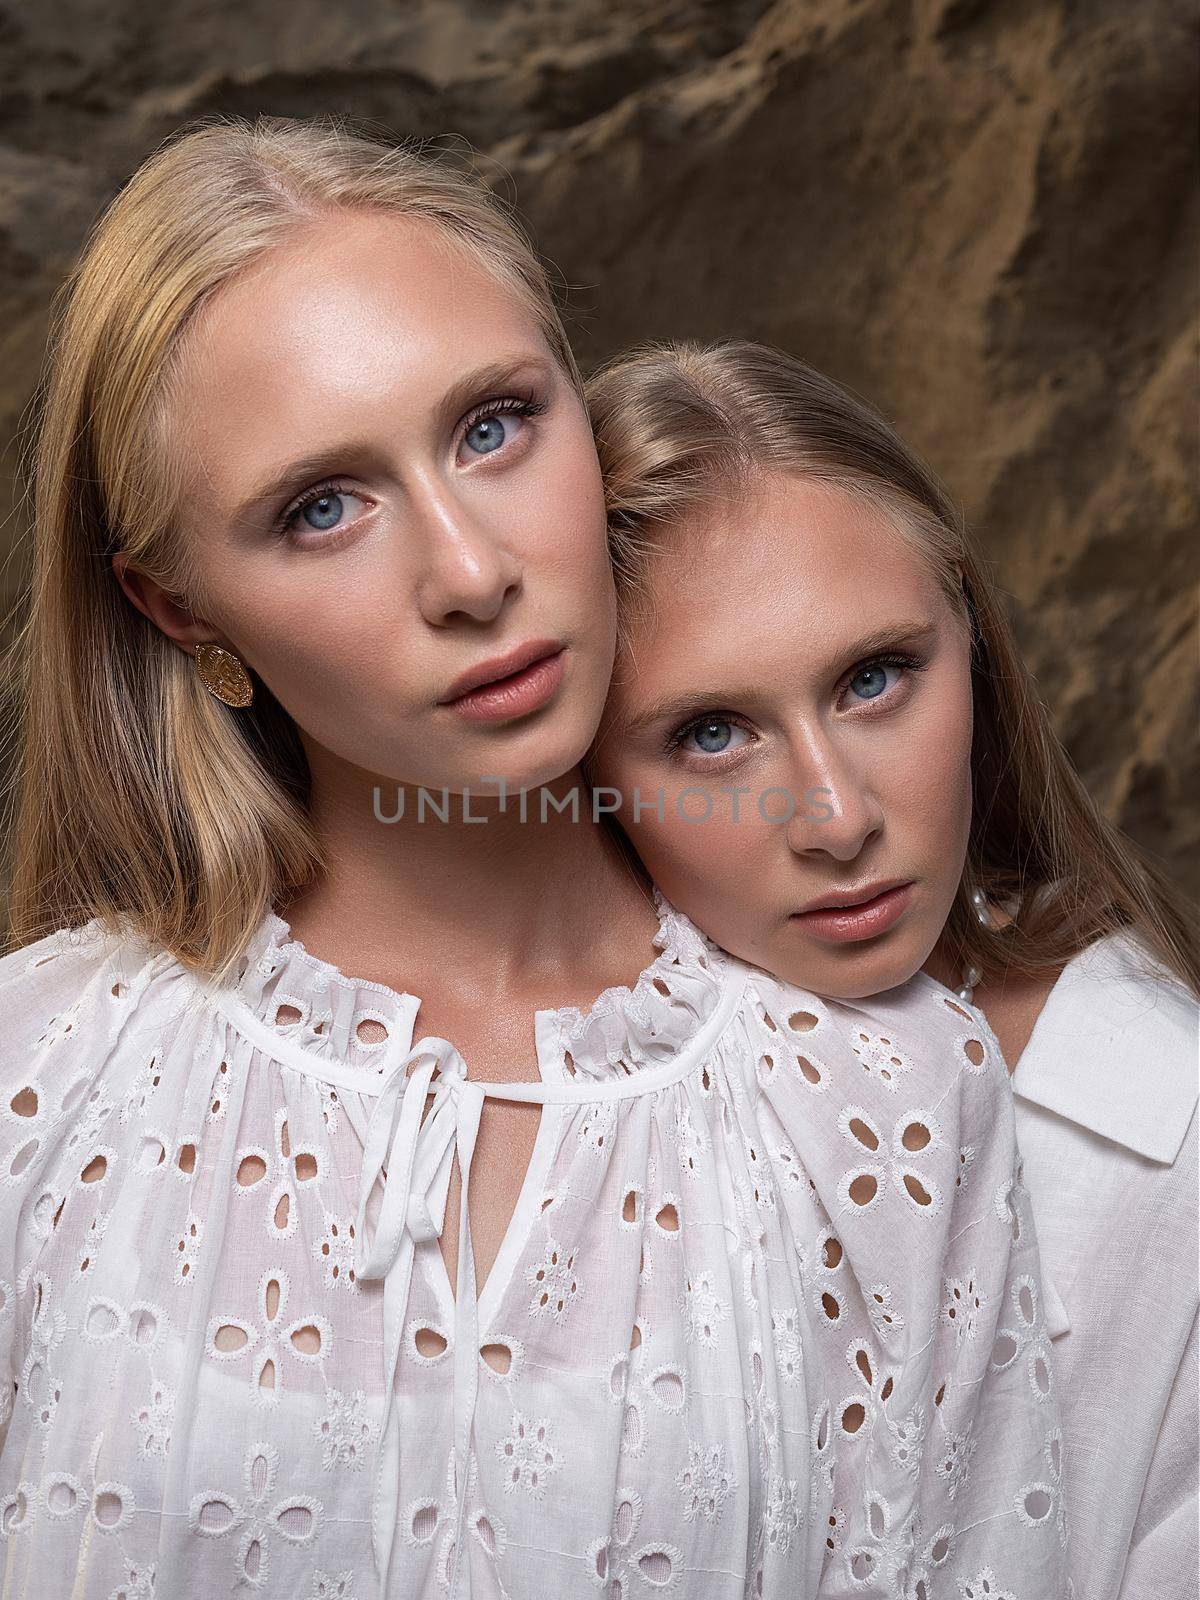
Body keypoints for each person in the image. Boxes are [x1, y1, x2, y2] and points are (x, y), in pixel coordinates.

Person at [0, 117, 1065, 1600]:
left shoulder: (884, 1096)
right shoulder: (41, 1076)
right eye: (323, 509)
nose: (471, 570)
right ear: (182, 614)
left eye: (494, 426)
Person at [584, 338, 1200, 1600]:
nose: (836, 816)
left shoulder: (1165, 1137)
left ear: (970, 641)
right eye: (711, 731)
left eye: (875, 678)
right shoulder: (514, 1107)